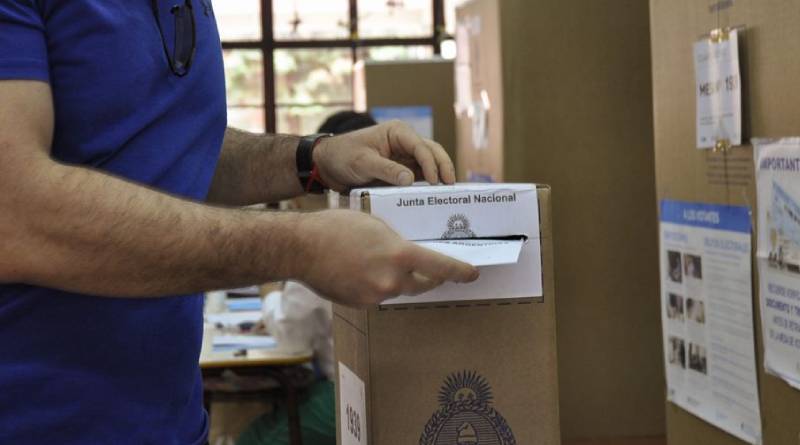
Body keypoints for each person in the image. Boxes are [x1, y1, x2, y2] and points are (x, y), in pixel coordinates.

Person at [0, 3, 478, 445]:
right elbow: (15, 212)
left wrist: (312, 158)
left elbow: (172, 153)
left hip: (171, 419)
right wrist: (298, 248)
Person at [236, 111, 378, 445]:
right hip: (400, 387)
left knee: (252, 438)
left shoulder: (331, 238)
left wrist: (269, 291)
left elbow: (292, 339)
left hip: (346, 393)